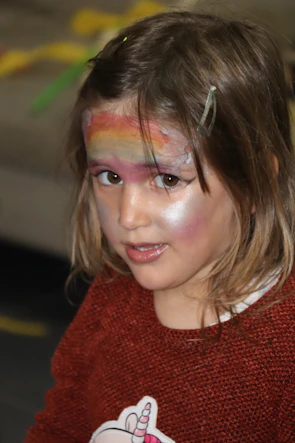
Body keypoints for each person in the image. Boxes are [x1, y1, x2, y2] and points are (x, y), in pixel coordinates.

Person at [25, 10, 295, 443]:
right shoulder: (112, 291)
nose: (128, 217)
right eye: (109, 177)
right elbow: (62, 422)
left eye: (167, 179)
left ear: (255, 184)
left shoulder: (284, 349)